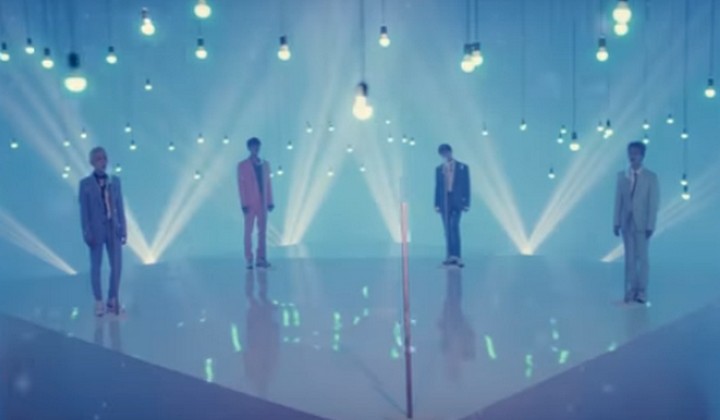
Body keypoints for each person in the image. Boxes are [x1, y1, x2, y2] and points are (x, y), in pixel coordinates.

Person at [79, 147, 127, 316]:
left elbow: (120, 206)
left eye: (104, 158)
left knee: (117, 264)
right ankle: (98, 300)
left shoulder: (114, 181)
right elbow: (84, 211)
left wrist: (123, 229)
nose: (103, 161)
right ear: (92, 162)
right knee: (96, 265)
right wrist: (86, 231)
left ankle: (112, 299)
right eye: (99, 159)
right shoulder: (85, 184)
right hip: (96, 229)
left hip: (113, 228)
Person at [613, 141, 660, 304]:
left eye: (635, 153)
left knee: (643, 258)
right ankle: (632, 288)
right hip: (627, 222)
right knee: (630, 258)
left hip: (642, 223)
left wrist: (650, 225)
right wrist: (616, 222)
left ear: (642, 155)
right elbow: (618, 201)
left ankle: (642, 290)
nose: (632, 156)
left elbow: (653, 204)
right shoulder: (622, 176)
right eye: (630, 152)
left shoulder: (651, 177)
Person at [237, 137, 274, 269]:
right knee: (248, 232)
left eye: (257, 146)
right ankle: (249, 258)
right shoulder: (242, 165)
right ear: (249, 148)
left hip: (263, 202)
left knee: (262, 231)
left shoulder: (265, 165)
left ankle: (261, 258)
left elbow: (268, 184)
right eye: (253, 146)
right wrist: (243, 204)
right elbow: (241, 186)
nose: (256, 149)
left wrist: (270, 201)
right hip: (249, 203)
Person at [435, 144, 471, 267]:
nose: (445, 155)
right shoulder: (439, 169)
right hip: (445, 201)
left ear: (450, 152)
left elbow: (466, 185)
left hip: (457, 201)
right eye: (442, 154)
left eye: (446, 152)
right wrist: (436, 204)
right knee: (447, 229)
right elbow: (438, 187)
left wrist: (466, 203)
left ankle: (457, 255)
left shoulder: (462, 167)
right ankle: (450, 255)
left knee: (454, 226)